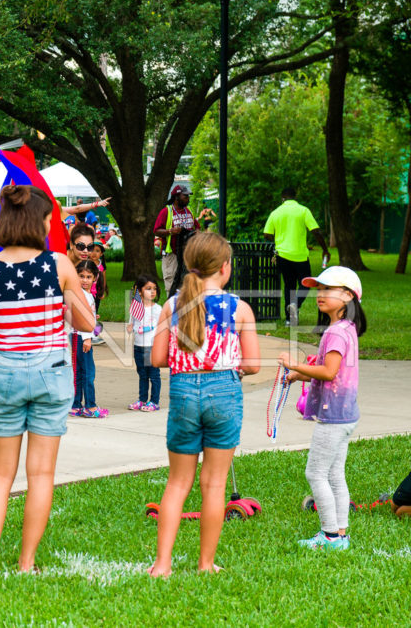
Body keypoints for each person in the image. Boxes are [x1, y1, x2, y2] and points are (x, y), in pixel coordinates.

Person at [0, 184, 94, 574]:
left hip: (4, 373)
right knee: (40, 474)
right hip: (51, 374)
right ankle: (26, 563)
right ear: (37, 222)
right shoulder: (58, 265)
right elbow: (86, 323)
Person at [148, 232, 261, 576]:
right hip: (224, 392)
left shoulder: (171, 305)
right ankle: (206, 564)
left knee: (177, 483)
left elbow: (156, 358)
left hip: (183, 392)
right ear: (225, 268)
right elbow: (253, 364)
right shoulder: (239, 308)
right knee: (215, 485)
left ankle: (162, 564)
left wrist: (189, 361)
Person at [280, 267, 365, 551]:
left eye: (327, 289)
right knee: (335, 474)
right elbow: (333, 373)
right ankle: (341, 534)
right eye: (318, 289)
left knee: (315, 473)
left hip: (333, 417)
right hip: (345, 414)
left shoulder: (336, 333)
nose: (320, 295)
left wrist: (293, 364)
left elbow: (328, 372)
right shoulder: (346, 329)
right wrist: (298, 375)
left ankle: (329, 536)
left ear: (348, 296)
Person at [263, 187, 331, 326]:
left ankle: (289, 319)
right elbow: (316, 231)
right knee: (306, 283)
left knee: (289, 285)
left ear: (282, 198)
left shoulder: (276, 212)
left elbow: (267, 234)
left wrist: (279, 240)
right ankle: (296, 304)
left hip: (282, 254)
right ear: (295, 197)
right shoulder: (303, 210)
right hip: (300, 255)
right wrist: (325, 250)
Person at [69, 260, 105, 419]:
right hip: (80, 336)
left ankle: (76, 405)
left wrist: (93, 320)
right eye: (81, 276)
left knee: (80, 371)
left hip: (80, 335)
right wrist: (87, 339)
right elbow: (79, 318)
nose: (84, 280)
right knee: (87, 372)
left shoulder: (87, 295)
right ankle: (90, 406)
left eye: (88, 276)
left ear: (95, 278)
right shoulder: (80, 294)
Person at [128, 275, 162, 412]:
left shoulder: (157, 309)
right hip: (138, 346)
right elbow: (133, 322)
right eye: (148, 289)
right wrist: (130, 327)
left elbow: (157, 325)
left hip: (151, 346)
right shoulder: (136, 307)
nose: (152, 291)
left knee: (154, 375)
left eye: (154, 289)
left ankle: (154, 401)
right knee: (142, 374)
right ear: (140, 291)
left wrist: (145, 328)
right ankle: (142, 399)